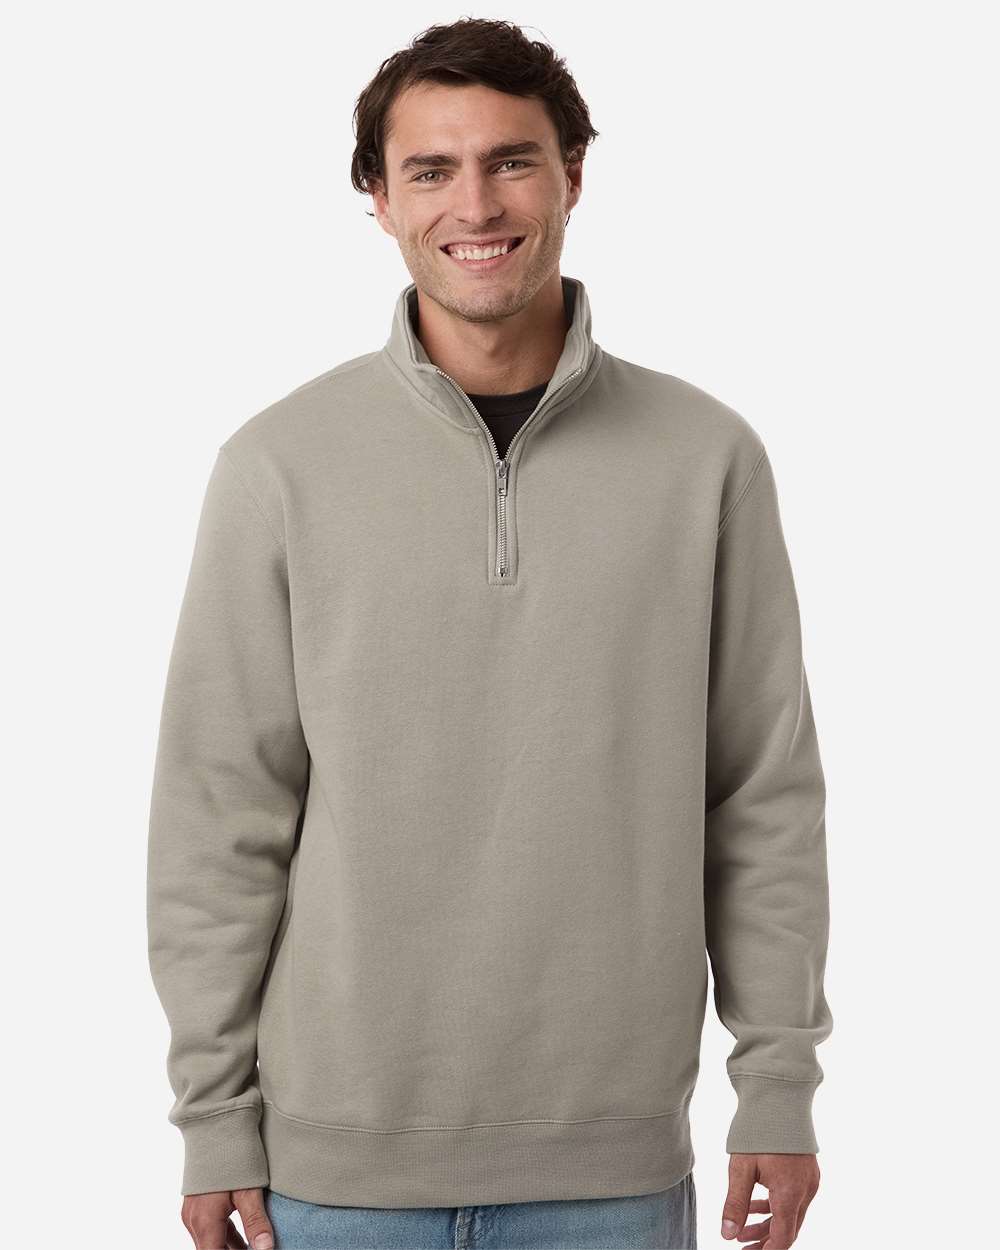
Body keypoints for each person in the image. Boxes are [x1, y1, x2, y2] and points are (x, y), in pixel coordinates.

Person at [146, 18, 833, 1250]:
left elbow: (760, 797)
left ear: (572, 174)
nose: (475, 204)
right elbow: (218, 813)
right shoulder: (278, 466)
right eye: (431, 169)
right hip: (332, 1173)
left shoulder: (704, 459)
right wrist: (214, 1117)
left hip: (612, 1168)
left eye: (511, 161)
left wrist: (775, 1081)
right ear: (377, 197)